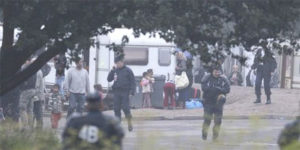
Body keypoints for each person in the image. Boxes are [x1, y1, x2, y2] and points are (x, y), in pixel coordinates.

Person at [201, 66, 230, 141]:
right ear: (212, 71)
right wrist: (212, 89)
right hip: (208, 102)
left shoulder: (223, 79)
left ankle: (215, 136)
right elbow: (204, 88)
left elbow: (227, 89)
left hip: (218, 102)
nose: (217, 73)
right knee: (207, 120)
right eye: (215, 71)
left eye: (218, 72)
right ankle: (204, 134)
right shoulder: (207, 78)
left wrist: (220, 89)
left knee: (218, 121)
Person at [107, 55, 135, 132]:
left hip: (125, 92)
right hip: (116, 92)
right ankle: (118, 125)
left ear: (122, 62)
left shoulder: (128, 70)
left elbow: (133, 81)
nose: (117, 65)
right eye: (116, 63)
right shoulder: (115, 70)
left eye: (118, 63)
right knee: (116, 109)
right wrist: (112, 71)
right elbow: (109, 79)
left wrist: (132, 91)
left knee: (126, 108)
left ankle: (129, 123)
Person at [19, 58, 38, 129]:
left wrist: (21, 88)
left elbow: (21, 80)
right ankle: (31, 126)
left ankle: (25, 126)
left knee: (22, 108)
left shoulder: (24, 67)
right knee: (30, 109)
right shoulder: (34, 69)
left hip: (26, 90)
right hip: (33, 90)